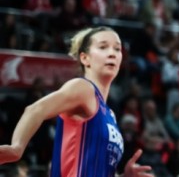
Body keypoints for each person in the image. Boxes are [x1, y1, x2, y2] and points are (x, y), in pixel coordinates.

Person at [0, 26, 153, 177]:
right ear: (85, 58)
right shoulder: (83, 88)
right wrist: (17, 147)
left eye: (117, 49)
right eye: (103, 47)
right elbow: (36, 109)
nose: (112, 53)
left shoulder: (110, 114)